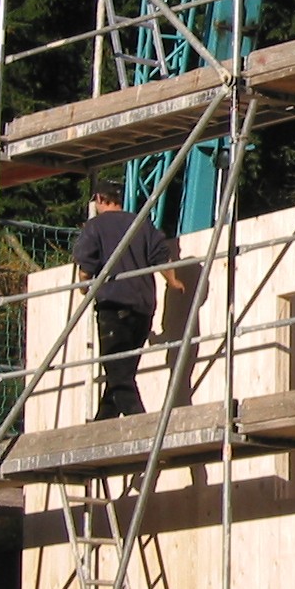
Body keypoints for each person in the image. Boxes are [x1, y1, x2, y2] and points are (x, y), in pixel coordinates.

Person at [70, 177, 184, 421]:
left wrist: (84, 284)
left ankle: (143, 427)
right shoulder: (141, 223)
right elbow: (162, 257)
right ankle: (103, 425)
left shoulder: (95, 226)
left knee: (119, 375)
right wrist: (172, 282)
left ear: (100, 199)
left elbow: (85, 267)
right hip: (143, 307)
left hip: (113, 306)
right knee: (123, 371)